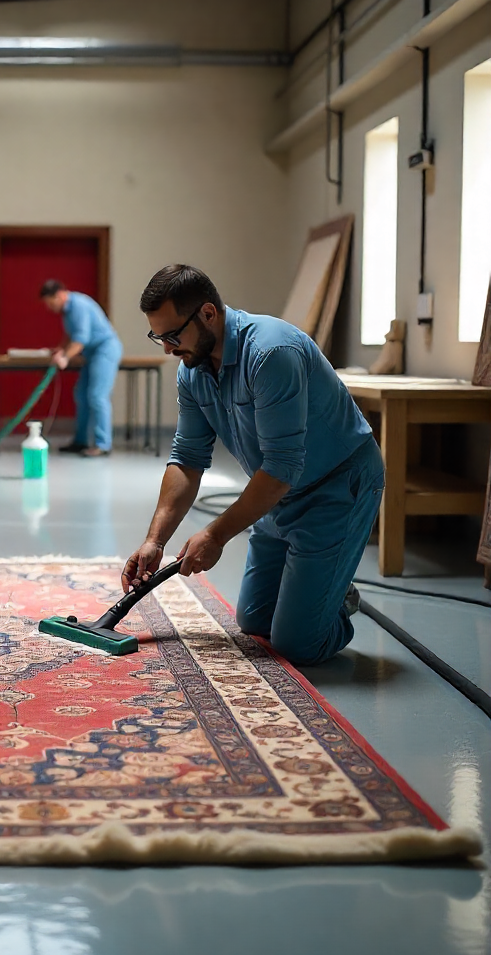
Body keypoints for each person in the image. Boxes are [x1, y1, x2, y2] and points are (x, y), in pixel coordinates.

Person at [123, 264, 384, 666]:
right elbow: (188, 460)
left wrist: (215, 533)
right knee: (255, 622)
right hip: (278, 494)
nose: (167, 349)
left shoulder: (271, 354)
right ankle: (322, 586)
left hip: (337, 487)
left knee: (298, 646)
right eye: (158, 337)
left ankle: (338, 597)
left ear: (208, 314)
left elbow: (281, 467)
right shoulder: (192, 371)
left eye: (173, 336)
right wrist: (155, 539)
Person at [40, 279, 123, 457]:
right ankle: (80, 441)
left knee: (97, 395)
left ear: (60, 294)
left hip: (105, 349)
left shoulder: (79, 306)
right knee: (81, 395)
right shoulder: (66, 311)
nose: (50, 308)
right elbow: (71, 335)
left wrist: (65, 357)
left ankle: (103, 444)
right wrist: (61, 349)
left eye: (51, 302)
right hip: (90, 354)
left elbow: (80, 339)